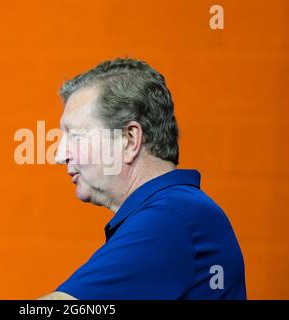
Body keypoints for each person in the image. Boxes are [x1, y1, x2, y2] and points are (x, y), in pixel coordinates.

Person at [39, 58, 246, 300]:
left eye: (76, 136)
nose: (59, 155)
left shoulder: (172, 217)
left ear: (129, 139)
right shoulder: (179, 212)